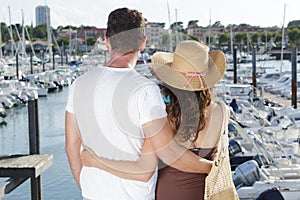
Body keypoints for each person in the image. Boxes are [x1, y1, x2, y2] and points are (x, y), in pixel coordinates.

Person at [65, 8, 212, 200]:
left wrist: (86, 187)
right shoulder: (145, 90)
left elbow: (71, 146)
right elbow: (169, 154)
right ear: (143, 42)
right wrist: (212, 167)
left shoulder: (78, 85)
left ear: (107, 40)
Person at [80, 40, 229, 200]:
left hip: (169, 193)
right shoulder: (222, 111)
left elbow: (144, 170)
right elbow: (218, 157)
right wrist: (213, 168)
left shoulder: (162, 115)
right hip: (208, 193)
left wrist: (96, 162)